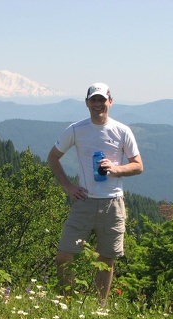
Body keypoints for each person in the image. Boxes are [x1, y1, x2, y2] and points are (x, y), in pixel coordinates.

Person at [47, 82, 143, 306]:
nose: (98, 104)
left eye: (102, 99)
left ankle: (100, 308)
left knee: (106, 259)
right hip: (84, 202)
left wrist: (116, 169)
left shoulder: (122, 131)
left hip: (113, 203)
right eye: (94, 100)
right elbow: (52, 157)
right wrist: (68, 187)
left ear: (110, 101)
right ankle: (66, 303)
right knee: (64, 254)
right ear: (87, 103)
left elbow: (138, 166)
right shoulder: (75, 129)